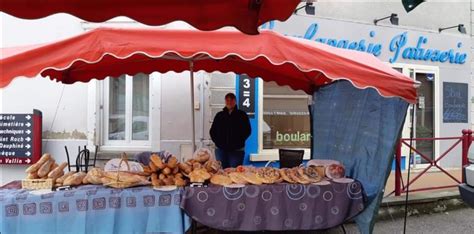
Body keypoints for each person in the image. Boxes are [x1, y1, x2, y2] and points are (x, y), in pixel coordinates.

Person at [210, 93, 251, 168]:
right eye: (227, 100)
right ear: (225, 101)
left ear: (235, 101)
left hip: (237, 150)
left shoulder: (242, 115)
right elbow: (212, 131)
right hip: (220, 150)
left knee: (235, 172)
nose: (229, 102)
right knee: (221, 172)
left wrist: (239, 141)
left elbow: (247, 131)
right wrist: (217, 142)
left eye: (231, 100)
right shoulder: (219, 115)